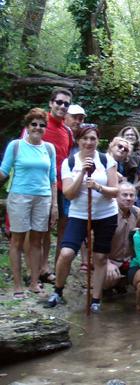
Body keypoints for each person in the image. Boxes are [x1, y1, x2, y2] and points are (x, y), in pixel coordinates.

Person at [46, 125, 119, 312]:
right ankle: (58, 291)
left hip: (105, 214)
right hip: (79, 214)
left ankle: (95, 299)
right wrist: (81, 174)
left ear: (98, 141)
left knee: (101, 257)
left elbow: (115, 190)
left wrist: (97, 187)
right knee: (67, 253)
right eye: (85, 138)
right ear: (78, 140)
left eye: (93, 138)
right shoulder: (69, 163)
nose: (89, 142)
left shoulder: (107, 160)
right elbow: (69, 194)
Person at [0, 108, 56, 298]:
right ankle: (17, 285)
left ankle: (34, 282)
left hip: (43, 197)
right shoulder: (16, 146)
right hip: (20, 196)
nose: (38, 128)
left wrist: (55, 205)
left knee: (37, 241)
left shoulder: (49, 148)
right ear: (27, 126)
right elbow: (4, 171)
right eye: (34, 124)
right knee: (16, 241)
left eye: (42, 125)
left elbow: (53, 179)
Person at [43, 88, 74, 268]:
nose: (62, 106)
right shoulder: (39, 124)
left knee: (63, 226)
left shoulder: (67, 131)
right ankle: (42, 268)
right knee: (43, 229)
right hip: (42, 184)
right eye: (59, 102)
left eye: (66, 104)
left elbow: (66, 157)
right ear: (51, 103)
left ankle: (57, 267)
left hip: (62, 186)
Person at [104, 182, 140, 292]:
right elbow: (92, 242)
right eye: (124, 195)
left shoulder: (138, 213)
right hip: (109, 260)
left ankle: (123, 283)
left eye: (131, 195)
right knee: (109, 280)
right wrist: (107, 263)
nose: (128, 198)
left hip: (130, 261)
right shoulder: (107, 213)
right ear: (116, 196)